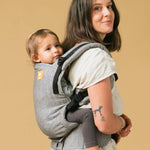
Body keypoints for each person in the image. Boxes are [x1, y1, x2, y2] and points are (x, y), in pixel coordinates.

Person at [50, 0, 132, 150]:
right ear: (83, 16)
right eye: (97, 8)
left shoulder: (71, 53)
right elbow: (104, 123)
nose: (107, 13)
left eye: (109, 6)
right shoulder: (96, 56)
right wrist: (122, 123)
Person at [26, 29, 112, 150]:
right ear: (36, 58)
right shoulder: (51, 73)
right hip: (55, 118)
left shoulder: (40, 72)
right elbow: (68, 93)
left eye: (57, 45)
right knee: (87, 115)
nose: (55, 50)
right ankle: (92, 147)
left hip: (47, 122)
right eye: (48, 49)